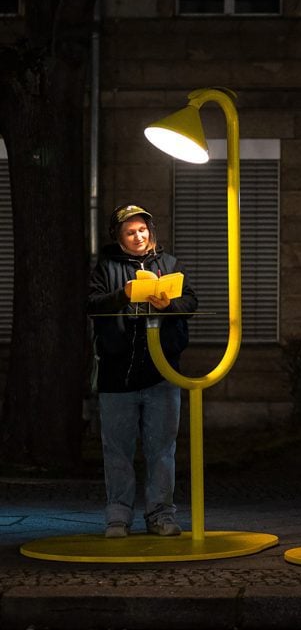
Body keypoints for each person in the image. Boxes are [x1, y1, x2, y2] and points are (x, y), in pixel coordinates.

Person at [87, 204, 198, 539]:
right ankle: (118, 517)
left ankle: (161, 515)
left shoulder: (170, 264)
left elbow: (191, 302)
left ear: (151, 231)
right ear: (119, 237)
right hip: (117, 375)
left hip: (163, 374)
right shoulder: (105, 267)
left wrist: (169, 305)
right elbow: (92, 304)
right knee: (117, 451)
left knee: (162, 450)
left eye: (142, 230)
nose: (138, 236)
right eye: (130, 232)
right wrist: (123, 295)